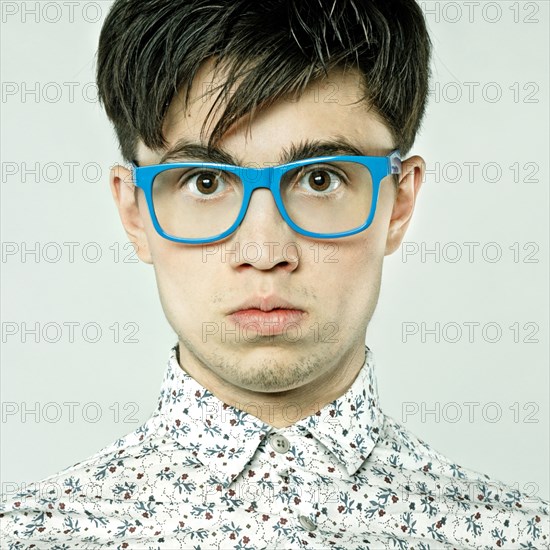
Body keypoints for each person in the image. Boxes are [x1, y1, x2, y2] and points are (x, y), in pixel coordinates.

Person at [1, 0, 548, 548]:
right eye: (205, 181)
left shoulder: (520, 536)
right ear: (134, 213)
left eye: (319, 179)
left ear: (399, 202)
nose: (264, 251)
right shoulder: (25, 535)